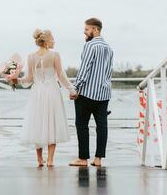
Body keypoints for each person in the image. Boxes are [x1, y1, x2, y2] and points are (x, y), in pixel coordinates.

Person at [7, 29, 77, 167]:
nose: (54, 41)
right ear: (46, 42)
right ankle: (50, 160)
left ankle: (39, 159)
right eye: (52, 39)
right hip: (51, 92)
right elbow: (61, 75)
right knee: (52, 123)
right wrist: (72, 89)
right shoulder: (55, 55)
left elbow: (28, 79)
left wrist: (16, 80)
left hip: (37, 92)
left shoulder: (31, 56)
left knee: (37, 123)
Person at [69, 18, 114, 167]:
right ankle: (98, 159)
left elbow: (84, 69)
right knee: (102, 126)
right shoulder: (109, 48)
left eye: (87, 29)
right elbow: (109, 71)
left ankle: (83, 159)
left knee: (82, 125)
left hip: (87, 93)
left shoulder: (90, 45)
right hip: (104, 93)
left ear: (95, 29)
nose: (84, 31)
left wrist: (75, 88)